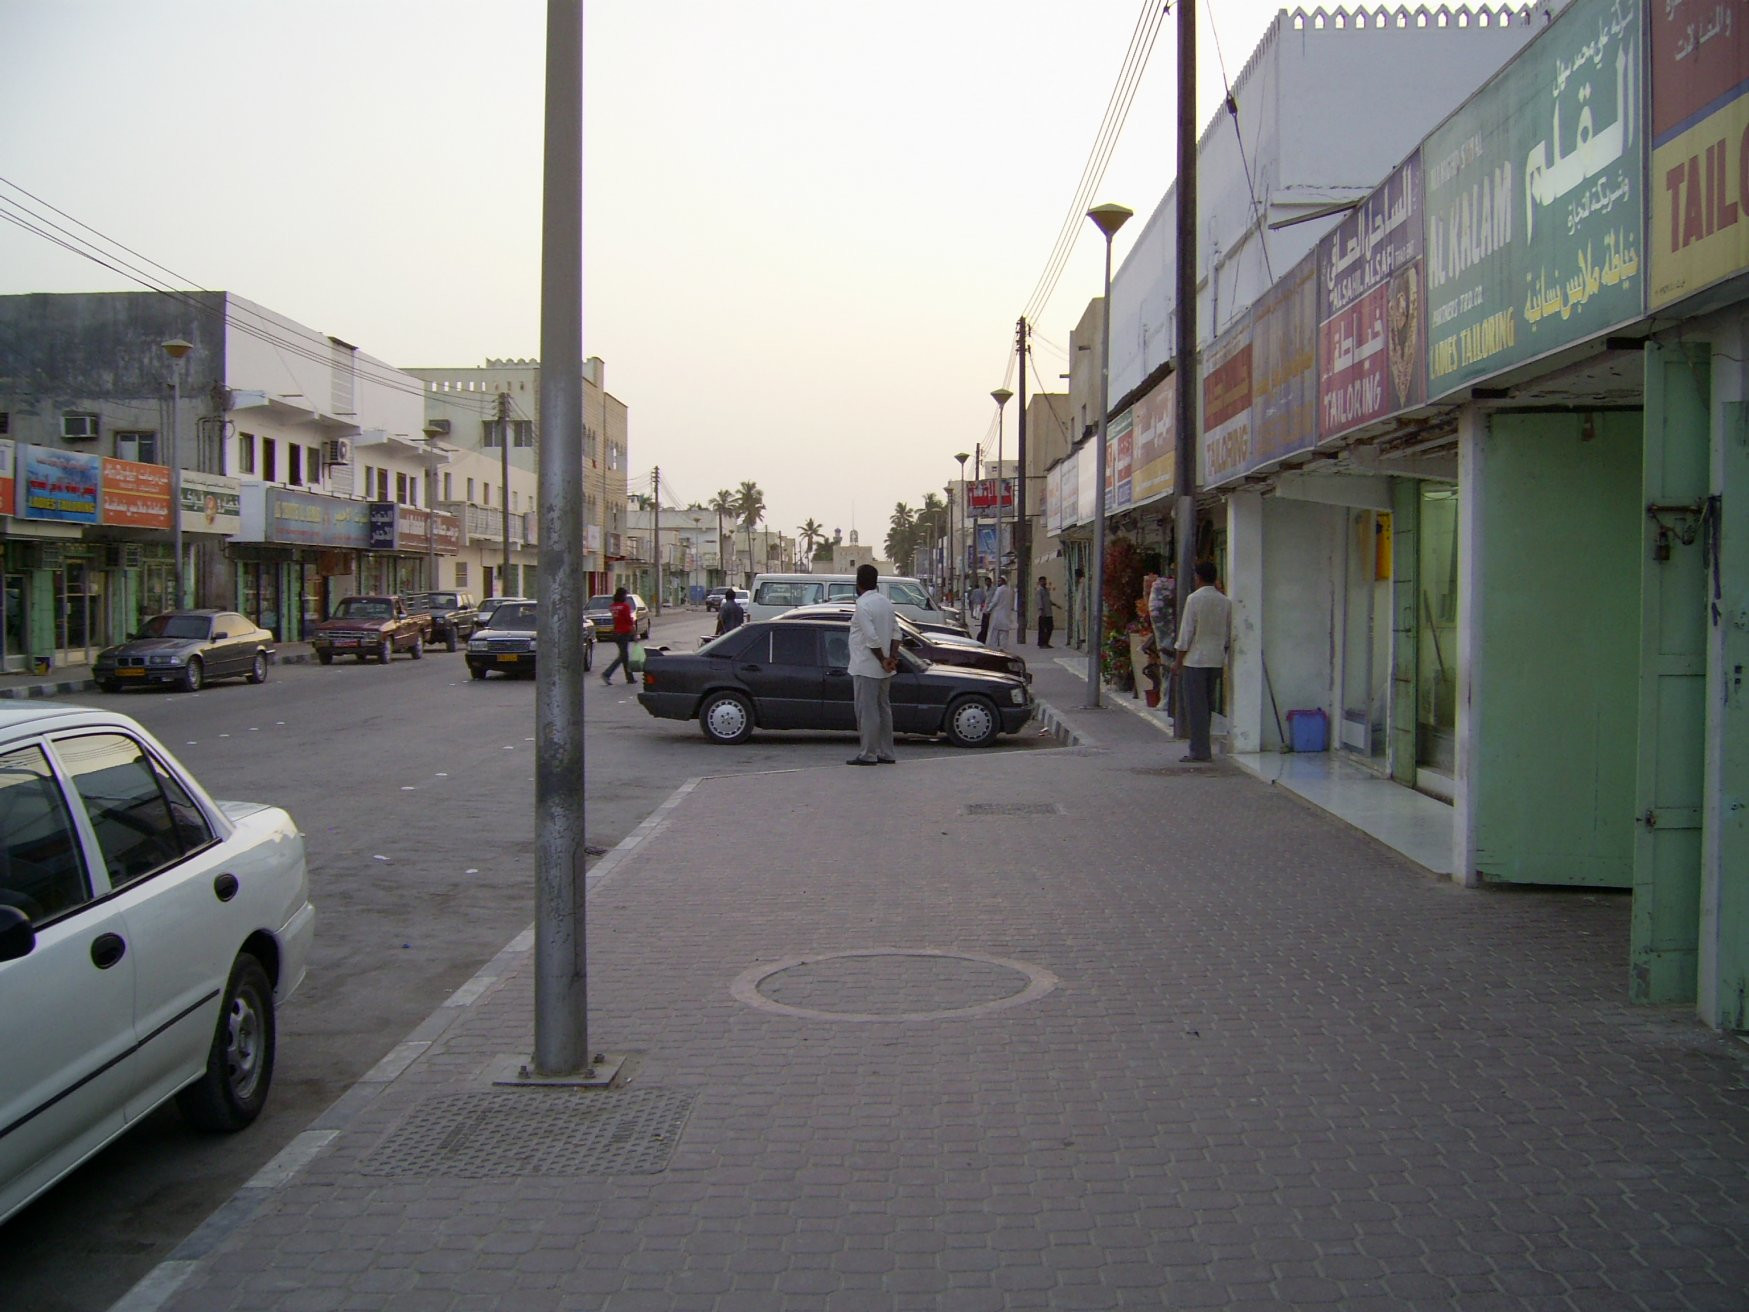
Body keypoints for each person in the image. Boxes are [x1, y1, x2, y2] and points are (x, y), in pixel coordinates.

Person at [1170, 560, 1232, 763]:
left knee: (1195, 706)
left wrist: (1178, 662)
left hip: (1195, 660)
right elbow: (1228, 633)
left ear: (1198, 577)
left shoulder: (1194, 599)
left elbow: (1186, 633)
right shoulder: (1225, 601)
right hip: (1216, 660)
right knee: (1207, 705)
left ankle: (1199, 750)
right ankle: (1203, 747)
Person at [846, 563, 899, 765]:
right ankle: (887, 752)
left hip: (866, 666)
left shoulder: (862, 605)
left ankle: (868, 754)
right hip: (885, 669)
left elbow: (871, 638)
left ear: (858, 583)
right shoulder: (886, 602)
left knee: (867, 712)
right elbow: (896, 633)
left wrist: (883, 660)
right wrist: (892, 658)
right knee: (884, 710)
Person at [599, 586, 637, 685]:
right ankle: (607, 674)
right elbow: (629, 621)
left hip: (616, 633)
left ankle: (629, 678)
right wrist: (634, 634)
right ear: (622, 596)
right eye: (625, 595)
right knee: (623, 656)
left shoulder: (613, 606)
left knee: (623, 656)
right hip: (624, 633)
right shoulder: (625, 607)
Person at [986, 575, 1014, 651]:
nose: (998, 583)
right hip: (1006, 614)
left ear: (1003, 582)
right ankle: (1003, 648)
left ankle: (993, 648)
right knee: (1004, 633)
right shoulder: (1009, 590)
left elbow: (994, 601)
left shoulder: (999, 590)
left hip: (997, 614)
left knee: (994, 632)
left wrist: (988, 610)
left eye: (999, 581)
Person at [1034, 576, 1056, 648]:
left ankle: (1046, 642)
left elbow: (1048, 600)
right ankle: (1042, 644)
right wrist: (1041, 610)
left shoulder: (1046, 590)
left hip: (1049, 612)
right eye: (1042, 581)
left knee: (1050, 628)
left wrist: (1055, 604)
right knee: (1043, 629)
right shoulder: (1039, 590)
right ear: (1040, 582)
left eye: (1045, 581)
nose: (1044, 582)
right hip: (1043, 613)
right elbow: (1039, 601)